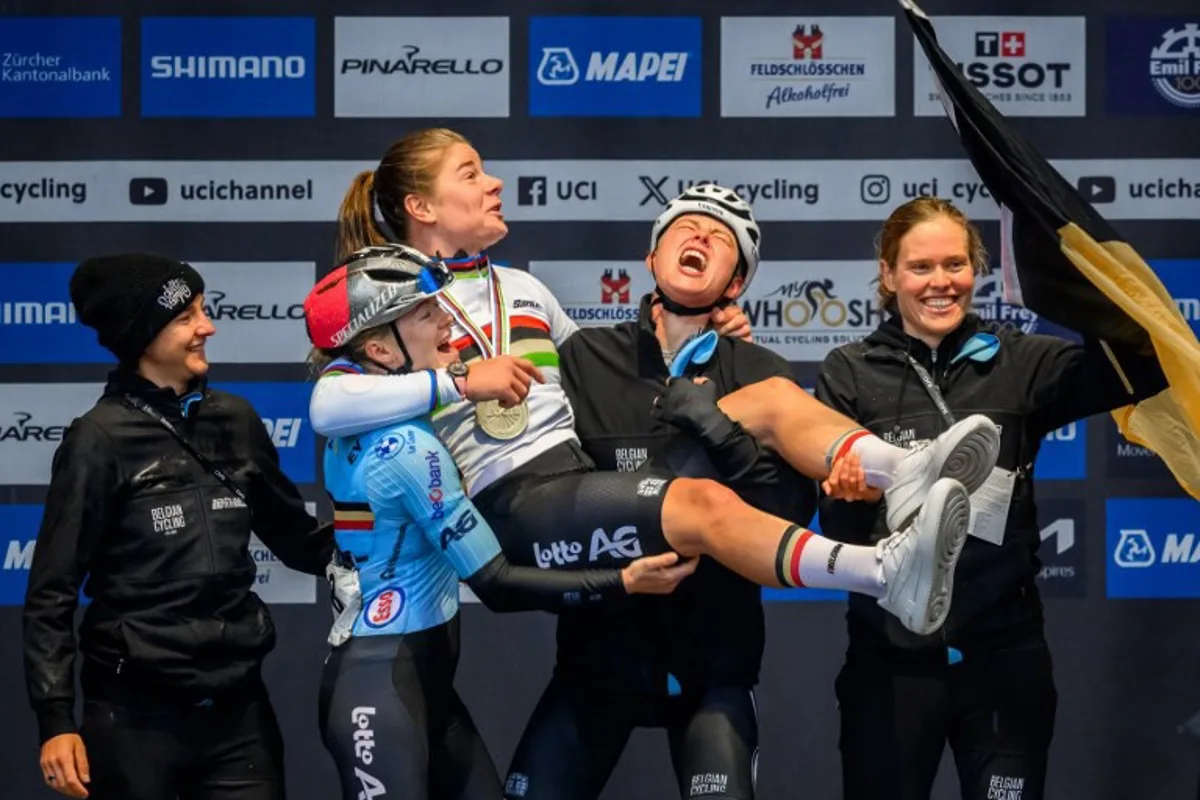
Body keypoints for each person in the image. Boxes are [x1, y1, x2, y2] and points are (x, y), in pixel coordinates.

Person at [309, 127, 997, 639]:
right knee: (700, 505)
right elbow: (328, 403)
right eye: (472, 174)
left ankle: (904, 469)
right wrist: (461, 381)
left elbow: (599, 376)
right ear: (421, 207)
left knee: (767, 398)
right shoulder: (379, 294)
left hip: (564, 477)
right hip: (504, 503)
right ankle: (883, 574)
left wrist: (711, 333)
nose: (494, 184)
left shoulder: (517, 286)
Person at [714, 197, 1170, 799]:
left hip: (1005, 659)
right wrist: (847, 495)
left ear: (976, 270)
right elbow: (840, 530)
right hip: (891, 663)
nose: (940, 283)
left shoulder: (1021, 361)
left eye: (955, 265)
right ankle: (909, 470)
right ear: (889, 275)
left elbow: (1138, 365)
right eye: (921, 267)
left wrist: (1067, 278)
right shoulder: (849, 371)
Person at [304, 244, 697, 799]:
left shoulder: (376, 405)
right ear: (378, 349)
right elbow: (497, 584)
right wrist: (623, 582)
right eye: (426, 315)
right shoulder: (411, 447)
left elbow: (335, 390)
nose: (447, 321)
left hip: (422, 687)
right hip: (381, 687)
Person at [500, 184, 817, 800]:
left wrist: (717, 428)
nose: (700, 236)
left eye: (721, 238)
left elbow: (790, 515)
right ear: (651, 260)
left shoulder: (763, 374)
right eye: (685, 228)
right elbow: (538, 495)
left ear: (735, 286)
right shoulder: (582, 358)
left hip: (713, 667)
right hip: (594, 664)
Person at [23, 253, 337, 800]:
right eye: (186, 316)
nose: (207, 326)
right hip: (132, 721)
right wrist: (56, 721)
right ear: (143, 334)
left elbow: (299, 540)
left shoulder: (235, 420)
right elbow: (52, 592)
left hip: (239, 715)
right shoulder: (98, 440)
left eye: (204, 309)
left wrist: (394, 539)